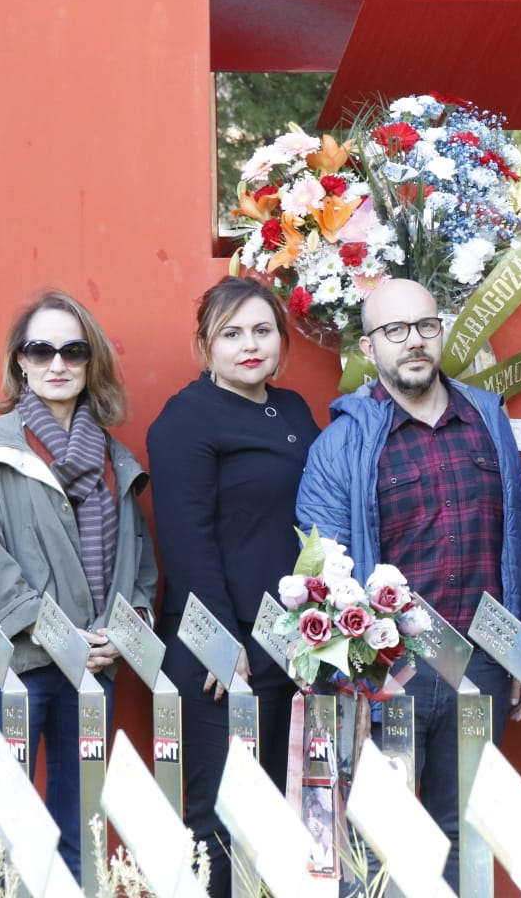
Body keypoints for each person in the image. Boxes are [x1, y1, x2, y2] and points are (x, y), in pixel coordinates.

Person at [295, 278, 521, 891]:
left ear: (441, 332)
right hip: (392, 673)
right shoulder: (342, 445)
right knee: (382, 842)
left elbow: (520, 540)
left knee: (468, 835)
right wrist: (354, 675)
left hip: (480, 666)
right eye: (395, 330)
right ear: (369, 347)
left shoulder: (487, 420)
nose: (414, 341)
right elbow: (324, 572)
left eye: (426, 326)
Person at [0, 290, 158, 877]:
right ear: (21, 361)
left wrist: (124, 631)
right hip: (16, 664)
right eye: (41, 350)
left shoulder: (115, 457)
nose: (57, 363)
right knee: (4, 832)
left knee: (81, 827)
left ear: (91, 362)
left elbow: (137, 562)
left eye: (73, 350)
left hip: (93, 668)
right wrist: (57, 634)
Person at [147, 276, 319, 897]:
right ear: (205, 345)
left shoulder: (294, 410)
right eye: (232, 334)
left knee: (276, 814)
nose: (250, 346)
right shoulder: (185, 419)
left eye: (262, 331)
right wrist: (221, 642)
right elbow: (185, 538)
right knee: (219, 820)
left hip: (287, 645)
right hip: (221, 655)